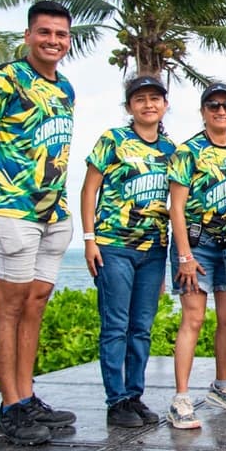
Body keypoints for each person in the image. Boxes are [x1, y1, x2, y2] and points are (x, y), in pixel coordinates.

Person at [0, 0, 77, 446]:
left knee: (36, 302)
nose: (53, 41)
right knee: (9, 305)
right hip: (12, 209)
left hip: (54, 213)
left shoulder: (66, 89)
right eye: (44, 32)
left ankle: (26, 397)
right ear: (28, 35)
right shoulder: (3, 80)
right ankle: (9, 407)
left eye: (61, 34)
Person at [80, 75, 176, 427]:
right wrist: (89, 239)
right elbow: (89, 189)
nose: (148, 104)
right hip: (114, 246)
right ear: (129, 107)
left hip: (153, 250)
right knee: (116, 326)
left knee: (142, 328)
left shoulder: (172, 151)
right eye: (140, 99)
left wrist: (169, 258)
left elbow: (175, 204)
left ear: (165, 105)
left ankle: (134, 395)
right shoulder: (113, 140)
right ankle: (116, 400)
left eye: (155, 98)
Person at [165, 82, 226, 429]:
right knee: (193, 318)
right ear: (203, 111)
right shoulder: (188, 152)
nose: (221, 111)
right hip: (197, 244)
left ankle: (222, 385)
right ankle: (181, 398)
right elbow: (176, 207)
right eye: (213, 105)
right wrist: (185, 256)